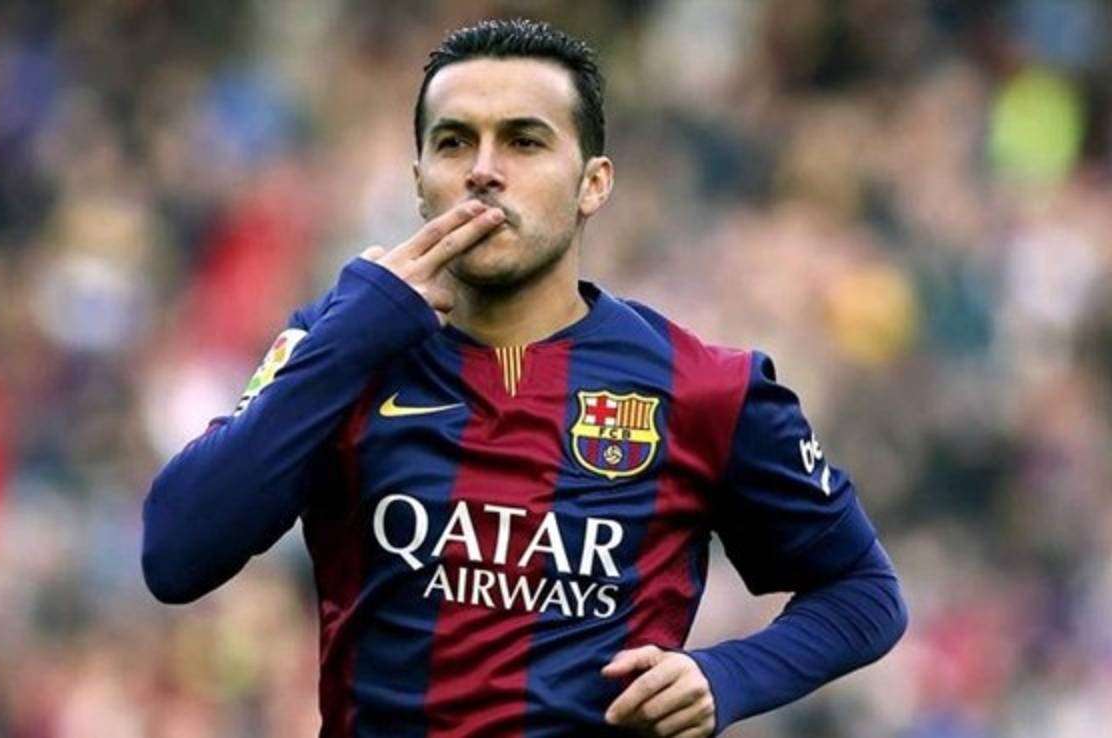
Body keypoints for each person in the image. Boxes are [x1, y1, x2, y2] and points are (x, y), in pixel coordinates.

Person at [141, 18, 907, 738]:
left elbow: (865, 593)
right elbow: (176, 555)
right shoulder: (338, 348)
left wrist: (727, 677)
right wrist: (349, 339)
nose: (483, 171)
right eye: (454, 143)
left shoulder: (704, 387)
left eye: (524, 141)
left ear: (593, 184)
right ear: (419, 181)